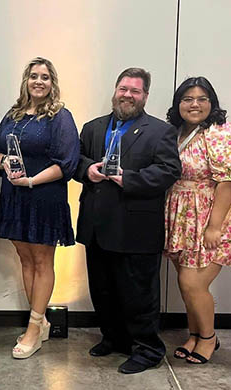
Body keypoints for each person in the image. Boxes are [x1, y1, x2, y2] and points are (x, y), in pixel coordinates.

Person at [74, 68, 181, 374]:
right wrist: (87, 170)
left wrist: (128, 178)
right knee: (103, 290)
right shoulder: (93, 127)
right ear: (115, 90)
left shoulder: (161, 131)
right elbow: (77, 160)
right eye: (124, 89)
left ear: (145, 96)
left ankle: (148, 350)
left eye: (135, 91)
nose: (128, 95)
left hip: (136, 229)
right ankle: (115, 339)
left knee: (138, 294)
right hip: (97, 225)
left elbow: (168, 170)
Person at [0, 57, 79, 359]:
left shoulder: (60, 117)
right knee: (25, 260)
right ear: (25, 81)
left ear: (52, 83)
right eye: (33, 76)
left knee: (42, 261)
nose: (38, 81)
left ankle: (33, 328)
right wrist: (4, 163)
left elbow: (67, 164)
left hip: (43, 195)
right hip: (14, 196)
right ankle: (39, 322)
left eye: (45, 77)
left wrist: (30, 181)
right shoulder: (13, 114)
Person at [164, 77, 231, 364]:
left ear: (212, 103)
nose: (194, 104)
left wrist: (214, 226)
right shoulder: (175, 131)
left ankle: (209, 338)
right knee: (184, 282)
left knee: (193, 283)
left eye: (201, 99)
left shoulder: (219, 132)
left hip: (212, 215)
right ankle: (195, 333)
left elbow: (228, 180)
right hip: (182, 216)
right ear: (178, 104)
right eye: (187, 99)